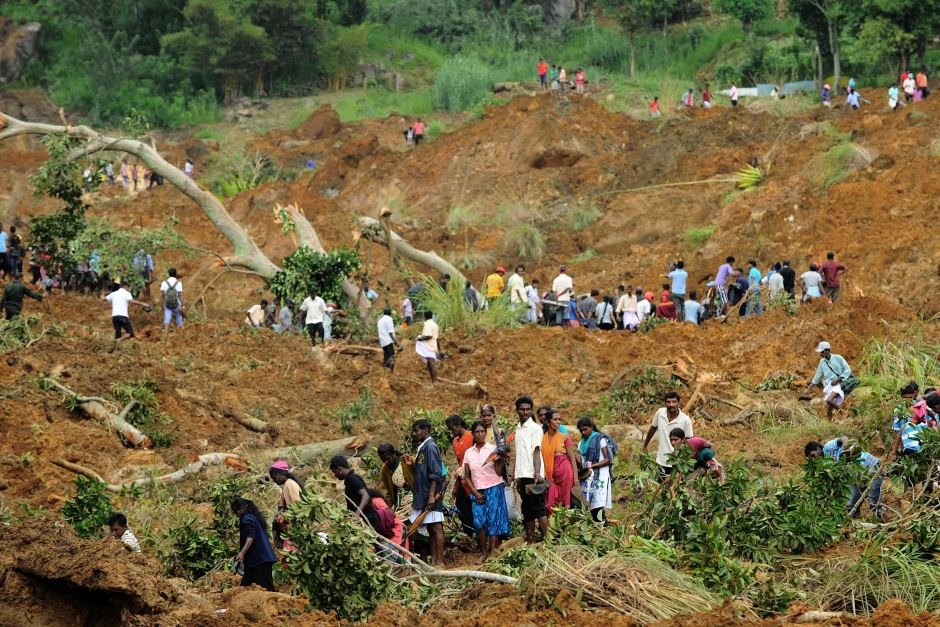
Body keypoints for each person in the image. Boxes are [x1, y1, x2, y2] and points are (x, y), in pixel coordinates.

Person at [463, 421, 509, 560]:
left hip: (494, 488)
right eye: (477, 432)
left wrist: (502, 458)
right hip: (477, 491)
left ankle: (491, 553)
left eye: (482, 431)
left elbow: (499, 472)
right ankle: (483, 552)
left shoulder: (493, 449)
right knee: (479, 522)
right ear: (473, 434)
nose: (480, 434)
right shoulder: (468, 453)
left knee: (493, 521)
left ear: (485, 433)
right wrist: (475, 493)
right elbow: (466, 475)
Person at [805, 438, 883, 520]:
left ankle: (884, 522)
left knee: (873, 500)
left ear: (818, 449)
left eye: (813, 455)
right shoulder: (825, 462)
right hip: (855, 475)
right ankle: (856, 522)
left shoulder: (828, 447)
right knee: (851, 504)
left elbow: (844, 439)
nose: (814, 459)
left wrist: (847, 452)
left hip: (868, 464)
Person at [408, 419, 446, 564]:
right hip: (423, 495)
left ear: (425, 430)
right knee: (431, 529)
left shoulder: (430, 447)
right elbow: (423, 472)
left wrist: (431, 495)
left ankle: (440, 561)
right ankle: (435, 561)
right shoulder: (423, 448)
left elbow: (435, 473)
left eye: (417, 430)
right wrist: (412, 465)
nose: (415, 434)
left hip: (430, 495)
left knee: (436, 528)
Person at [514, 396, 547, 542]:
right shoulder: (518, 429)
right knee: (527, 510)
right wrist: (515, 476)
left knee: (539, 509)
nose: (525, 412)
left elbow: (536, 451)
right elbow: (519, 454)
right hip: (523, 475)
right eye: (522, 409)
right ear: (517, 410)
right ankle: (530, 541)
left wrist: (537, 472)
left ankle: (547, 542)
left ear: (531, 410)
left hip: (534, 475)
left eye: (528, 409)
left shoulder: (535, 429)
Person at [643, 391, 693, 481]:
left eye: (674, 402)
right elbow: (653, 428)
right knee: (660, 486)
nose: (671, 405)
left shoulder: (685, 420)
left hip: (677, 462)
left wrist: (679, 453)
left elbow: (689, 440)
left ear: (678, 403)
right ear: (665, 403)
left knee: (675, 487)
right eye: (668, 402)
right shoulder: (660, 413)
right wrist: (645, 445)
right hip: (661, 460)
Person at [330, 455, 382, 535]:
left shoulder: (353, 479)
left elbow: (365, 496)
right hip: (365, 520)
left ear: (339, 469)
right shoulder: (350, 480)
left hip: (369, 519)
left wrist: (357, 514)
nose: (335, 475)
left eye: (335, 472)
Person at [231, 498, 276, 591]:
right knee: (248, 587)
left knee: (265, 589)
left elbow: (250, 537)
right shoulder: (252, 517)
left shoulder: (246, 519)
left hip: (258, 560)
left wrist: (242, 553)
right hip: (260, 559)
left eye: (236, 512)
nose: (236, 515)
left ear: (240, 509)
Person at [801, 341, 855, 418]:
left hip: (838, 384)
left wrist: (838, 379)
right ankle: (831, 423)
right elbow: (817, 376)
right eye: (820, 352)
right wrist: (808, 389)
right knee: (828, 407)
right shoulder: (822, 362)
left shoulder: (838, 358)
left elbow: (848, 370)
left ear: (827, 350)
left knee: (829, 400)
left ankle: (843, 412)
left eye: (822, 352)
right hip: (828, 386)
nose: (820, 354)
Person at [576, 417, 614, 523]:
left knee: (598, 502)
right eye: (581, 430)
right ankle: (602, 523)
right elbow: (582, 459)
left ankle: (601, 524)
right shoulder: (581, 442)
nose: (583, 432)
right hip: (588, 476)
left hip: (600, 474)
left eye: (585, 429)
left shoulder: (600, 439)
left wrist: (593, 466)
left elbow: (607, 459)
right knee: (591, 502)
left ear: (591, 427)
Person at [446, 414, 476, 538]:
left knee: (473, 504)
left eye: (452, 429)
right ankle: (469, 532)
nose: (452, 432)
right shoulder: (455, 441)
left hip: (473, 477)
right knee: (460, 504)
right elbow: (459, 462)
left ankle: (477, 532)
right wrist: (456, 485)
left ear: (458, 425)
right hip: (462, 478)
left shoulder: (470, 436)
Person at [541, 409, 577, 511]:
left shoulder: (564, 438)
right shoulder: (542, 438)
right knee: (551, 503)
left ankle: (563, 525)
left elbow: (572, 459)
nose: (558, 422)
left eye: (559, 419)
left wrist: (576, 479)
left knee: (564, 503)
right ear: (548, 422)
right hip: (549, 475)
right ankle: (551, 526)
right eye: (555, 419)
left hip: (565, 473)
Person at [269, 460, 303, 552]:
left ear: (281, 474)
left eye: (274, 478)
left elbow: (297, 507)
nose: (274, 481)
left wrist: (283, 516)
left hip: (295, 529)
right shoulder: (287, 485)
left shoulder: (290, 485)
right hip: (291, 529)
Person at [378, 443, 414, 509]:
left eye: (387, 458)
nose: (386, 462)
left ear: (393, 453)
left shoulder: (406, 461)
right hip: (399, 502)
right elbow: (389, 490)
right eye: (383, 460)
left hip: (413, 497)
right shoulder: (385, 470)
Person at [415, 310, 440, 384]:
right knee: (430, 364)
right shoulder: (435, 324)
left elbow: (429, 336)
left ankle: (435, 382)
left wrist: (419, 339)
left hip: (429, 346)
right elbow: (437, 338)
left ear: (425, 316)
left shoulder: (427, 324)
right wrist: (438, 349)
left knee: (431, 364)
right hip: (433, 345)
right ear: (431, 316)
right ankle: (433, 381)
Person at [160, 268, 184, 332]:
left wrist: (161, 304)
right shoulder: (178, 283)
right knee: (179, 317)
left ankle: (166, 332)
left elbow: (162, 295)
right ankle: (181, 332)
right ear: (176, 274)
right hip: (177, 304)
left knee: (167, 317)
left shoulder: (164, 282)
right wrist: (182, 305)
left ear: (169, 274)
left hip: (167, 303)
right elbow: (180, 295)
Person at [377, 307, 400, 371]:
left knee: (386, 356)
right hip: (388, 341)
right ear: (390, 313)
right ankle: (391, 371)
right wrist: (397, 343)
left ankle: (385, 371)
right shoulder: (389, 319)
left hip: (382, 341)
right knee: (391, 356)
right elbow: (390, 333)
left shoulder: (380, 320)